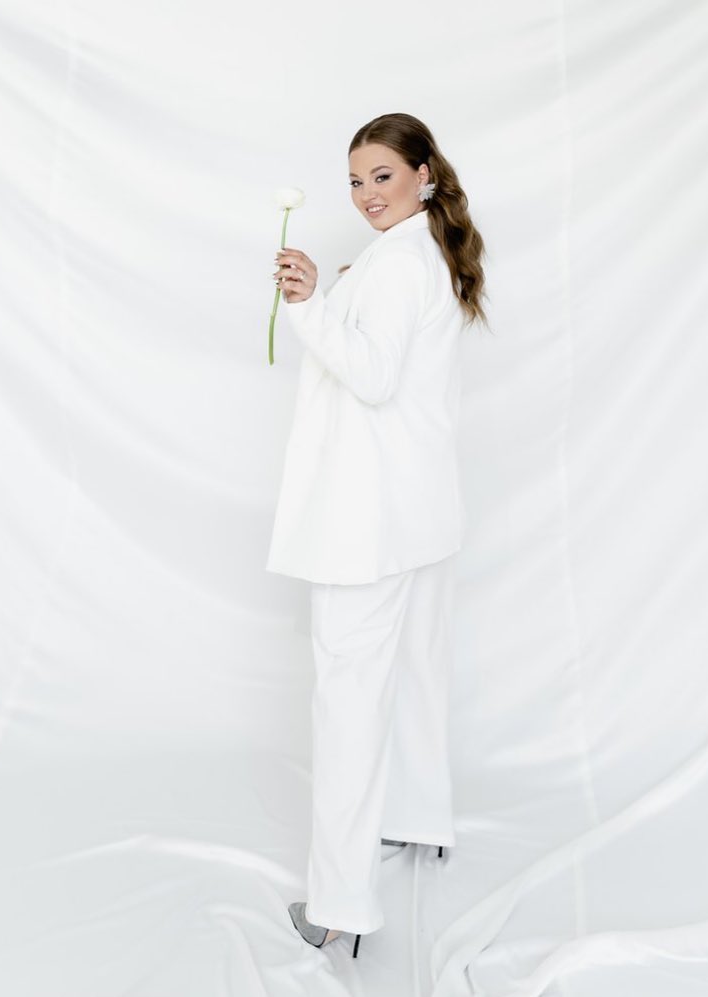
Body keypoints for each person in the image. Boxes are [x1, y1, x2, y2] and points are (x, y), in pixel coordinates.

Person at [266, 111, 488, 958]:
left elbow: (370, 376)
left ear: (424, 173)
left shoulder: (400, 263)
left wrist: (309, 304)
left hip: (366, 522)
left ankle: (337, 904)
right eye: (355, 181)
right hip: (420, 512)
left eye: (381, 176)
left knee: (349, 701)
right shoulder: (423, 251)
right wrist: (347, 291)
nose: (365, 195)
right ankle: (420, 818)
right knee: (417, 671)